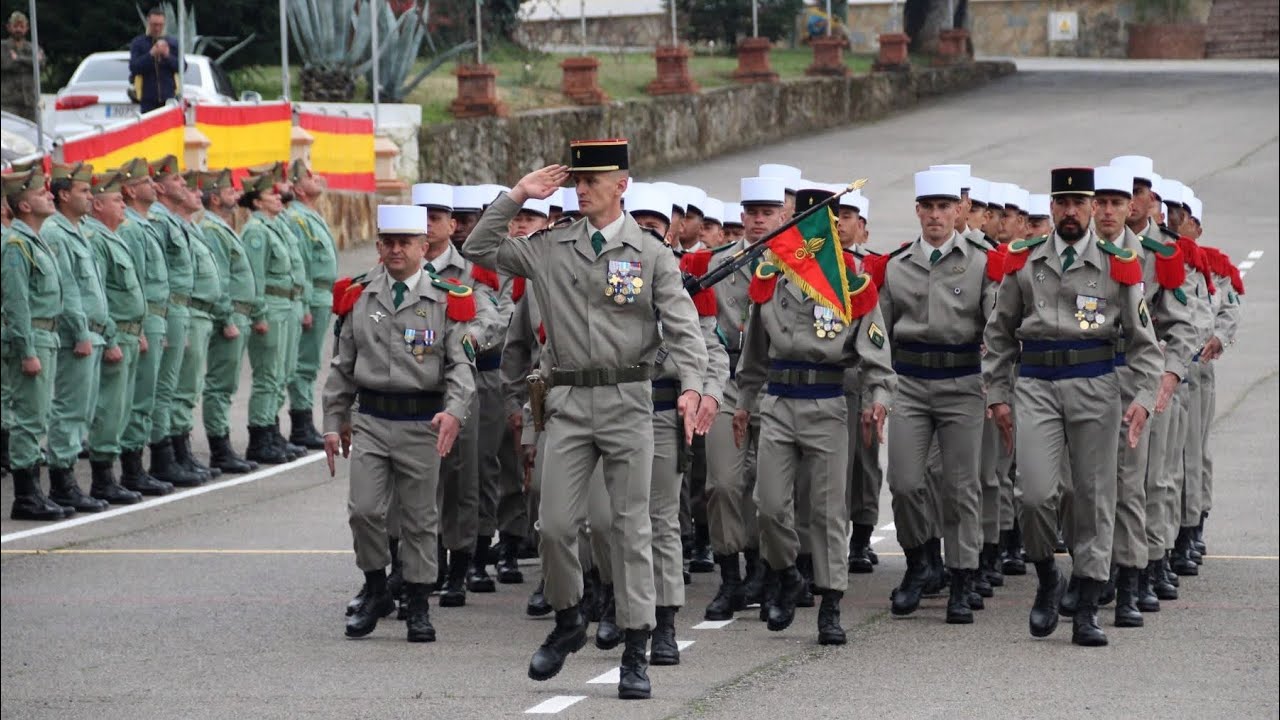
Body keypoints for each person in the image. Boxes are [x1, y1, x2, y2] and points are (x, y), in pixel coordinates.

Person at [463, 139, 711, 701]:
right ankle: (570, 617)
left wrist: (694, 385)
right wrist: (519, 193)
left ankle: (635, 649)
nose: (580, 189)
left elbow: (683, 326)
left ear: (621, 185)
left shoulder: (650, 253)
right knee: (553, 526)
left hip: (628, 402)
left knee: (629, 528)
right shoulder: (550, 247)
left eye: (591, 181)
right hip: (568, 405)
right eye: (576, 181)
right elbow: (480, 247)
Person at [983, 167, 1162, 648]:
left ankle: (1086, 606)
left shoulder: (1117, 263)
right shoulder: (1023, 260)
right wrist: (997, 394)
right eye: (1061, 204)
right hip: (1037, 384)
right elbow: (999, 334)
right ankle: (1047, 578)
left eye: (1078, 203)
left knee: (1095, 496)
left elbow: (1145, 345)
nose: (1070, 212)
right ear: (1051, 208)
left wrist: (1144, 400)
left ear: (1089, 208)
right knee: (1036, 494)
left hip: (1095, 386)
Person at [734, 185, 894, 645]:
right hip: (779, 403)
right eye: (799, 226)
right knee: (768, 506)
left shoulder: (854, 285)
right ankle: (785, 574)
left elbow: (877, 360)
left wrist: (878, 399)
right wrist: (744, 404)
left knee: (826, 512)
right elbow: (753, 360)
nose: (808, 236)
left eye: (817, 227)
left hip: (827, 405)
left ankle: (830, 603)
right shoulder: (768, 281)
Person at [325, 203, 476, 643]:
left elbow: (460, 366)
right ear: (378, 246)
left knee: (419, 519)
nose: (394, 251)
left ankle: (418, 603)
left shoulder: (448, 298)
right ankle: (375, 588)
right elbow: (342, 364)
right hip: (371, 419)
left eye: (404, 243)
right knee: (365, 511)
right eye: (387, 243)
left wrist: (455, 410)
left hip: (421, 422)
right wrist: (334, 421)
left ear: (423, 246)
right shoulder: (357, 295)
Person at [874, 171, 997, 624]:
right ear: (918, 211)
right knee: (905, 482)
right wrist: (878, 387)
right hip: (909, 384)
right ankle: (920, 561)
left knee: (960, 486)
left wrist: (994, 375)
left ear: (959, 210)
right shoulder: (897, 265)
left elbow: (996, 325)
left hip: (963, 383)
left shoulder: (983, 262)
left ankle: (962, 578)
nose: (936, 216)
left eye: (944, 206)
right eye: (928, 207)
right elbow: (878, 334)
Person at [3, 169, 74, 520]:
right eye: (40, 193)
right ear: (25, 204)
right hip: (32, 337)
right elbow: (15, 303)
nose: (49, 195)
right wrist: (26, 350)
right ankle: (26, 497)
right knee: (29, 419)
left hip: (48, 334)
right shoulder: (16, 246)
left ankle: (35, 493)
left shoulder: (36, 240)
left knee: (38, 416)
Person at [41, 162, 110, 513]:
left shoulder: (79, 230)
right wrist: (81, 332)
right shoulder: (55, 232)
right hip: (75, 337)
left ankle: (69, 481)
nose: (90, 197)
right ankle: (62, 482)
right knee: (69, 409)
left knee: (82, 410)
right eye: (84, 191)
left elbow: (94, 287)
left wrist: (104, 331)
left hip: (94, 335)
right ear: (64, 194)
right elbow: (66, 289)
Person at [115, 157, 185, 494]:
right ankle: (133, 468)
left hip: (159, 316)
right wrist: (143, 327)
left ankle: (150, 463)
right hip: (146, 319)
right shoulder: (131, 228)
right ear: (130, 190)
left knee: (155, 392)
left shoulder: (143, 224)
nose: (154, 187)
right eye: (146, 183)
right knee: (141, 396)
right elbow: (137, 284)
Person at [82, 170, 148, 506]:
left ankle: (115, 476)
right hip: (114, 334)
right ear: (96, 205)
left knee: (121, 407)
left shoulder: (113, 235)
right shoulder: (95, 240)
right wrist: (109, 340)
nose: (123, 205)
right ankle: (102, 479)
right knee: (108, 408)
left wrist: (139, 331)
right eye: (116, 200)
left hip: (128, 333)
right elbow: (99, 296)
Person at [146, 155, 206, 486]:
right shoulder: (157, 221)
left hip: (180, 311)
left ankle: (177, 453)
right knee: (163, 390)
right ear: (159, 187)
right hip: (167, 312)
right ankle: (162, 456)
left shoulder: (172, 221)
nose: (184, 185)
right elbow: (160, 277)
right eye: (177, 181)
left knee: (175, 388)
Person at [835, 189, 884, 574]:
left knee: (864, 458)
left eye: (850, 216)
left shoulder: (875, 267)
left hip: (863, 370)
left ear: (863, 229)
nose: (841, 223)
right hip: (830, 373)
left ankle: (862, 536)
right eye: (836, 216)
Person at [198, 169, 257, 474]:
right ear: (215, 196)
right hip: (229, 316)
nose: (236, 194)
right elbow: (218, 277)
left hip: (239, 314)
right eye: (228, 190)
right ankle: (219, 448)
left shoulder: (222, 227)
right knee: (220, 385)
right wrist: (226, 317)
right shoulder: (211, 228)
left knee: (228, 384)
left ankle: (224, 448)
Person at [166, 171, 224, 481]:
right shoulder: (164, 225)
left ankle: (181, 453)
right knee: (177, 390)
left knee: (188, 388)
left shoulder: (188, 227)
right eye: (187, 186)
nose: (195, 193)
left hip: (196, 312)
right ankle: (173, 454)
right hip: (183, 312)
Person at [240, 170, 296, 465]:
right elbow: (255, 276)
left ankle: (271, 431)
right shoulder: (256, 232)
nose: (278, 197)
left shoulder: (270, 226)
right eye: (270, 194)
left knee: (278, 374)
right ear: (257, 202)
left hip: (283, 305)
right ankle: (260, 437)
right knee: (267, 375)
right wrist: (259, 313)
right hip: (270, 308)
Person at [283, 159, 337, 450]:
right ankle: (301, 422)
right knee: (304, 363)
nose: (317, 178)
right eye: (308, 176)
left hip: (322, 296)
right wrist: (302, 304)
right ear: (297, 187)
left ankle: (304, 421)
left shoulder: (310, 215)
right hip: (311, 296)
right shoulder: (297, 219)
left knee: (311, 361)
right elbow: (299, 266)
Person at [129, 7, 180, 113]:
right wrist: (151, 55)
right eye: (154, 25)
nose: (157, 28)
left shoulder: (173, 43)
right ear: (148, 22)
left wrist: (167, 55)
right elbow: (134, 67)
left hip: (169, 98)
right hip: (148, 100)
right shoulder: (138, 43)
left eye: (160, 25)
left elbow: (182, 67)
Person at [0, 11, 44, 121]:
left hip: (30, 103)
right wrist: (31, 62)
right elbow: (6, 64)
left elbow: (41, 64)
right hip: (8, 103)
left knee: (31, 134)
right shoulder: (3, 47)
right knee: (9, 135)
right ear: (9, 27)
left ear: (27, 28)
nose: (18, 29)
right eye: (15, 26)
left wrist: (18, 59)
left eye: (21, 26)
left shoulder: (33, 47)